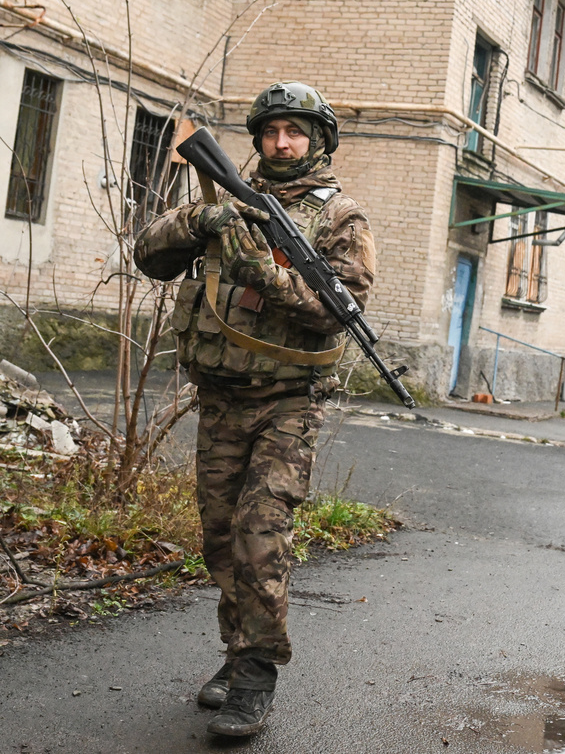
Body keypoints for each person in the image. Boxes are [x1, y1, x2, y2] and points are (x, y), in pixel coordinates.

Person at [134, 81, 376, 737]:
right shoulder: (228, 199)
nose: (281, 142)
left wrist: (261, 271)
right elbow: (148, 254)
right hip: (222, 400)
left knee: (259, 536)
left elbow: (339, 314)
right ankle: (238, 652)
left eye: (295, 131)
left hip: (286, 405)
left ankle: (256, 675)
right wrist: (196, 221)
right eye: (271, 131)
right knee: (219, 538)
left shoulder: (340, 219)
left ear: (317, 140)